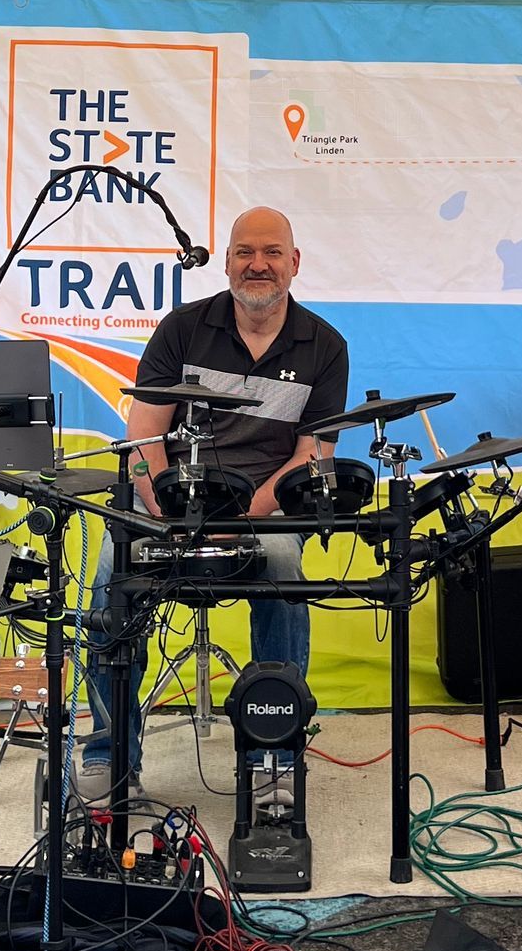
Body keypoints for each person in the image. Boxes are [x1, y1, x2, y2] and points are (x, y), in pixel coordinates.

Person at [80, 206, 349, 792]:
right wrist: (170, 515)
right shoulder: (182, 329)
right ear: (226, 261)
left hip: (263, 509)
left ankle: (272, 753)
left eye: (272, 252)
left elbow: (311, 457)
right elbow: (143, 439)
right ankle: (109, 751)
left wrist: (240, 519)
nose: (258, 264)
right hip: (169, 503)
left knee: (284, 568)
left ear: (294, 262)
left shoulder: (325, 346)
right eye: (245, 252)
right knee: (107, 579)